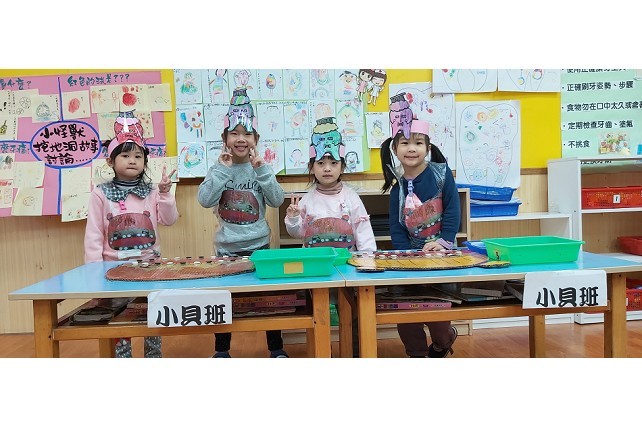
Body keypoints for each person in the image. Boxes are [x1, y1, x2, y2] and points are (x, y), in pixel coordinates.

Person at [197, 89, 288, 358]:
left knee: (268, 301)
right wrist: (221, 171)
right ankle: (222, 351)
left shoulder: (261, 168)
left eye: (247, 134)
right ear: (224, 139)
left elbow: (277, 200)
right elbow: (204, 200)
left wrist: (262, 170)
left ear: (255, 139)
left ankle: (276, 349)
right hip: (226, 249)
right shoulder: (218, 169)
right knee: (224, 300)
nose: (240, 139)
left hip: (260, 246)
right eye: (234, 133)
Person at [84, 111, 178, 358]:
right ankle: (122, 359)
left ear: (145, 162)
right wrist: (94, 271)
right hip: (113, 270)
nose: (132, 160)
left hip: (150, 268)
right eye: (125, 155)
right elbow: (94, 234)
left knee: (152, 315)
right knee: (118, 320)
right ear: (110, 161)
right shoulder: (100, 193)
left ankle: (153, 357)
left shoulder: (152, 191)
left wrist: (165, 194)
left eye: (138, 156)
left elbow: (169, 220)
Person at [285, 116, 376, 357]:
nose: (327, 168)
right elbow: (298, 234)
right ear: (311, 167)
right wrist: (293, 218)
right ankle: (322, 352)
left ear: (342, 167)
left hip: (348, 267)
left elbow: (363, 230)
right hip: (316, 269)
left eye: (333, 163)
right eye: (321, 163)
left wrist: (367, 258)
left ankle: (354, 352)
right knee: (320, 314)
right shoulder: (307, 200)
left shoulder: (351, 197)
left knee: (351, 313)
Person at [380, 113, 460, 358]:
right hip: (411, 259)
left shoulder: (442, 175)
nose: (411, 148)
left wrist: (443, 242)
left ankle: (443, 342)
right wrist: (407, 254)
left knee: (439, 313)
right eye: (405, 143)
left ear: (428, 147)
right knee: (407, 312)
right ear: (395, 149)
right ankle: (416, 353)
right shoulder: (397, 188)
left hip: (443, 255)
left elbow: (453, 209)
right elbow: (396, 227)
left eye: (418, 142)